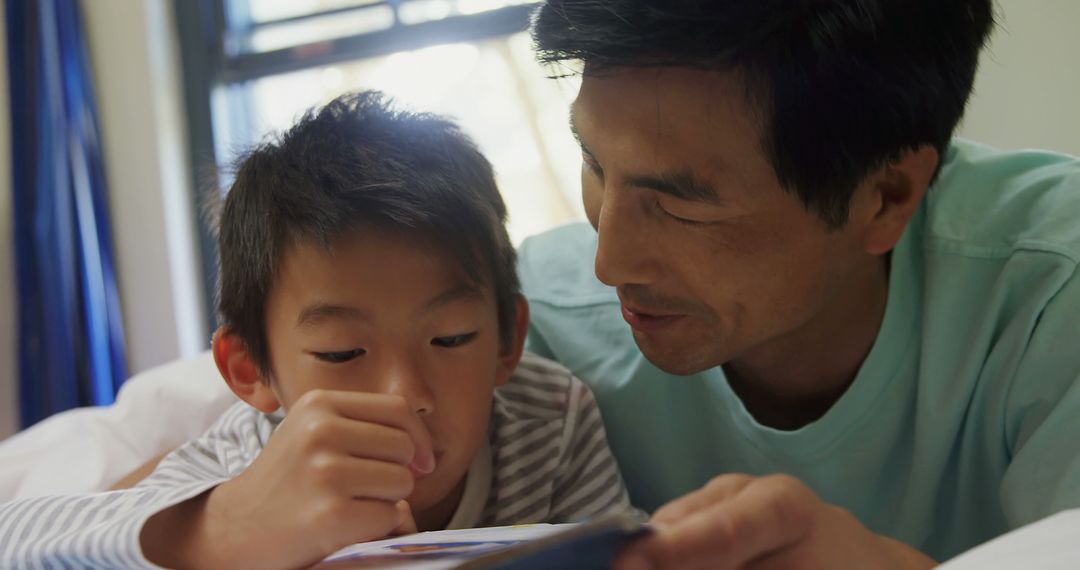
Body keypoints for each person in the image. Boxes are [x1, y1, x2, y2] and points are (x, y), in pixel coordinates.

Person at [516, 0, 1080, 568]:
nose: (609, 265)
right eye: (593, 163)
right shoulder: (512, 327)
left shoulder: (1054, 290)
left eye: (681, 205)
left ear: (886, 199)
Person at [0, 91, 635, 569]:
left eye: (451, 339)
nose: (403, 394)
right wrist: (224, 527)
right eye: (342, 352)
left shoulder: (552, 419)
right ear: (251, 371)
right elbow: (20, 541)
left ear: (507, 340)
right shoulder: (245, 464)